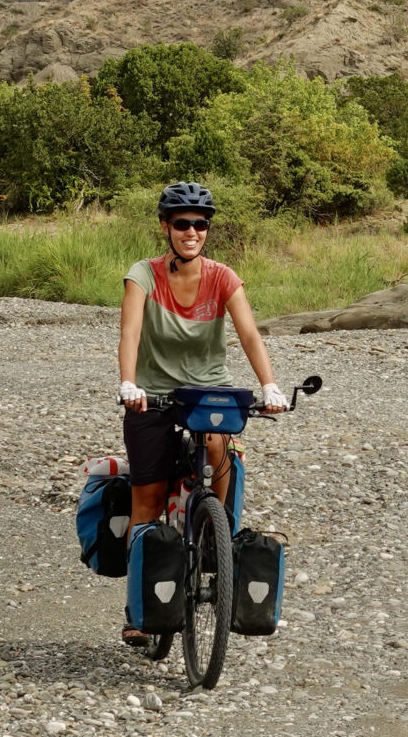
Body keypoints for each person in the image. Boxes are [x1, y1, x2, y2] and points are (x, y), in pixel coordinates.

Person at [115, 180, 284, 644]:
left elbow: (250, 334)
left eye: (200, 224)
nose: (192, 231)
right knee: (145, 502)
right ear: (166, 228)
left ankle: (220, 538)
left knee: (220, 446)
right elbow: (130, 333)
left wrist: (268, 385)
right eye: (182, 224)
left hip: (207, 389)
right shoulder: (143, 274)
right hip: (151, 393)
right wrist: (130, 383)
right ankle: (137, 609)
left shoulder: (223, 277)